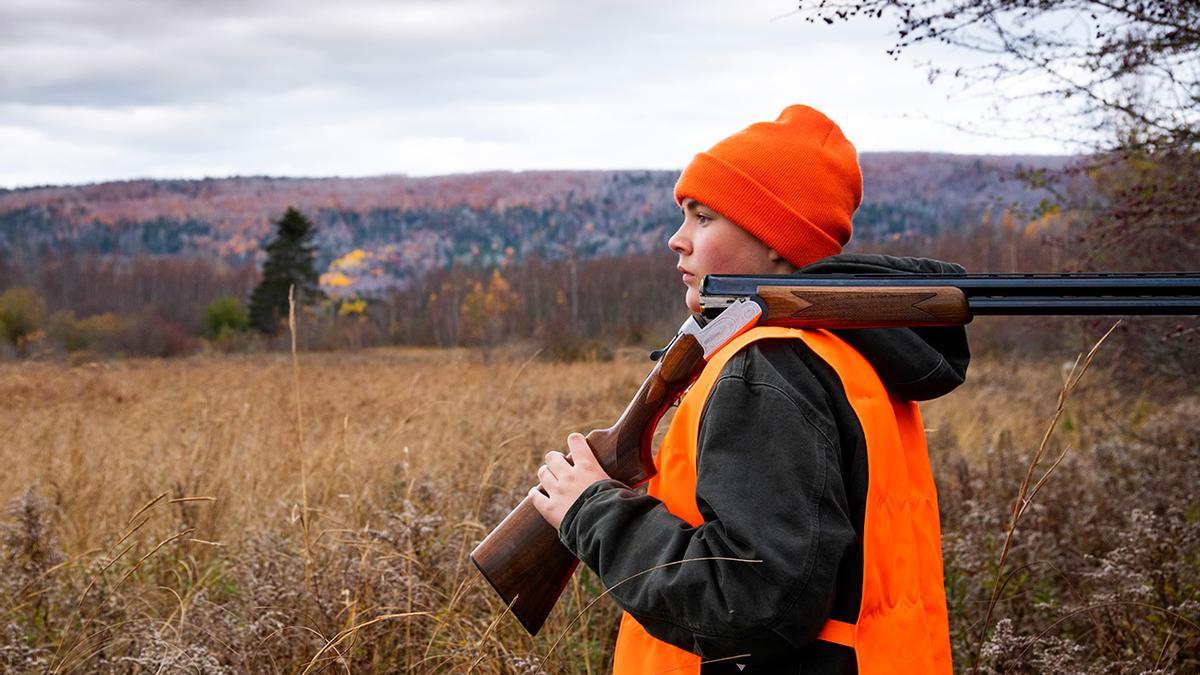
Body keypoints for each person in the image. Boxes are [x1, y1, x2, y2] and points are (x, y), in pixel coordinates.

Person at [528, 104, 969, 674]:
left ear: (776, 241)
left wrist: (592, 512)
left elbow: (751, 600)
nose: (676, 240)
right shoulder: (846, 352)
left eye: (703, 217)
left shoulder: (765, 365)